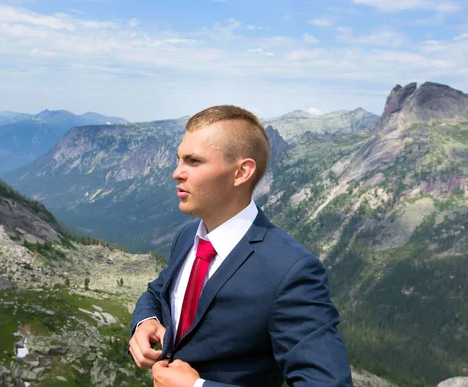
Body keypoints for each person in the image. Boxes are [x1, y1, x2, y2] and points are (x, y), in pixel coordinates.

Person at [129, 105, 353, 387]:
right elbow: (158, 291)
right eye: (178, 159)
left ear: (241, 173)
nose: (176, 172)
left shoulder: (290, 271)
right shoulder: (187, 237)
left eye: (193, 161)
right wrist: (145, 321)